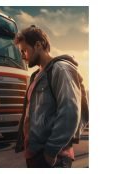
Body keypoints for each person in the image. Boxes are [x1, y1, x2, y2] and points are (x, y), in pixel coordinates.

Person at [14, 25, 84, 168]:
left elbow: (69, 114)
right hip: (36, 154)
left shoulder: (60, 69)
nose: (22, 56)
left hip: (54, 157)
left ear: (38, 45)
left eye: (24, 51)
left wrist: (51, 151)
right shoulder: (35, 76)